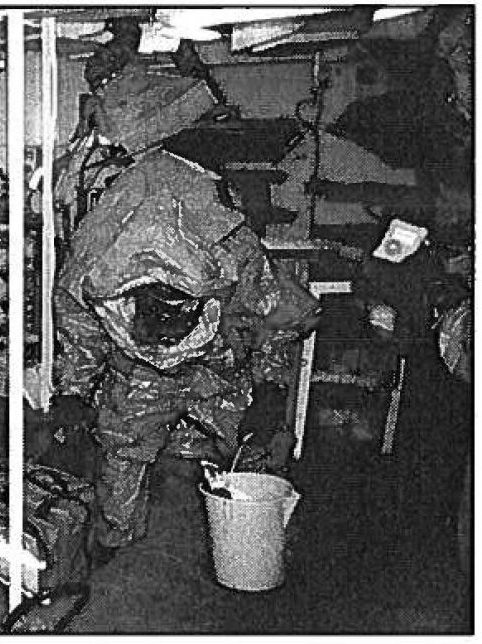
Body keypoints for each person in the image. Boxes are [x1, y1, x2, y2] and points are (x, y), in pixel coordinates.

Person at [54, 64, 318, 564]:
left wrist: (273, 386)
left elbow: (279, 312)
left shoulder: (225, 241)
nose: (164, 323)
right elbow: (75, 315)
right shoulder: (99, 257)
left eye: (177, 308)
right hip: (140, 375)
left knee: (251, 444)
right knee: (123, 446)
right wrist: (72, 386)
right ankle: (116, 532)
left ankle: (263, 526)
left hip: (218, 363)